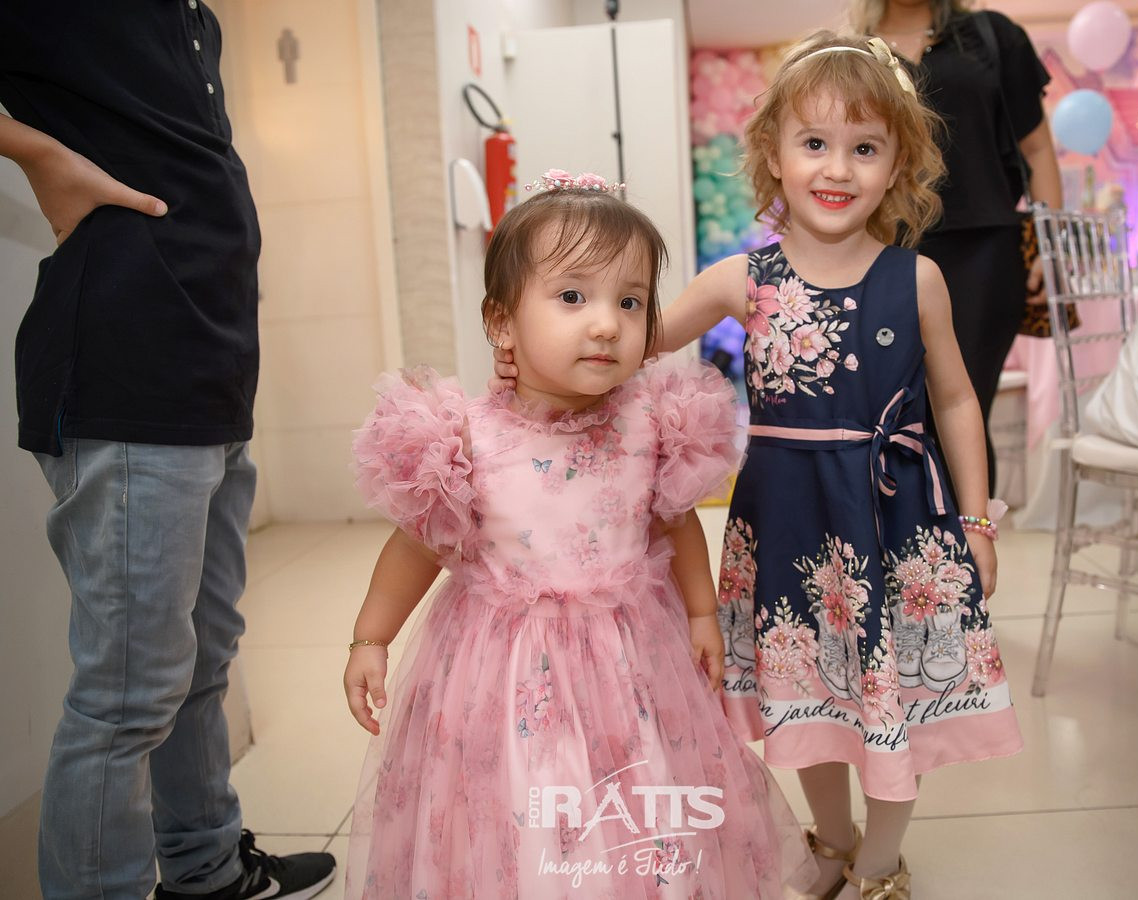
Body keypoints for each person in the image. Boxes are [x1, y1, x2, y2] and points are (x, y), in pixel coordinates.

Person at [497, 32, 1023, 900]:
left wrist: (974, 520)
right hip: (788, 529)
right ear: (773, 154)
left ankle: (881, 863)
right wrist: (543, 327)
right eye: (814, 142)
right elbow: (629, 342)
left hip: (894, 526)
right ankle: (833, 839)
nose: (837, 168)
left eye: (864, 148)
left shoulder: (917, 279)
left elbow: (958, 402)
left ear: (896, 165)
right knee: (808, 698)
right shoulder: (741, 279)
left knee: (888, 701)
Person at [342, 171, 819, 898]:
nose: (606, 325)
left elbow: (674, 522)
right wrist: (370, 638)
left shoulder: (651, 423)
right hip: (502, 673)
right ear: (502, 321)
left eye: (630, 302)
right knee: (518, 803)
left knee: (645, 787)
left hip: (634, 661)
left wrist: (700, 613)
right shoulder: (462, 439)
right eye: (572, 297)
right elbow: (417, 545)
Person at [0, 5, 335, 899]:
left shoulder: (196, 16)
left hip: (209, 374)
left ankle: (205, 870)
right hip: (124, 367)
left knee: (201, 659)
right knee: (127, 695)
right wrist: (38, 154)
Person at [850, 0, 1063, 492]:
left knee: (961, 409)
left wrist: (1048, 248)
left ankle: (966, 536)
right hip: (881, 252)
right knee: (891, 412)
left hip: (985, 253)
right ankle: (901, 532)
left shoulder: (991, 36)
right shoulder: (856, 52)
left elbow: (1036, 148)